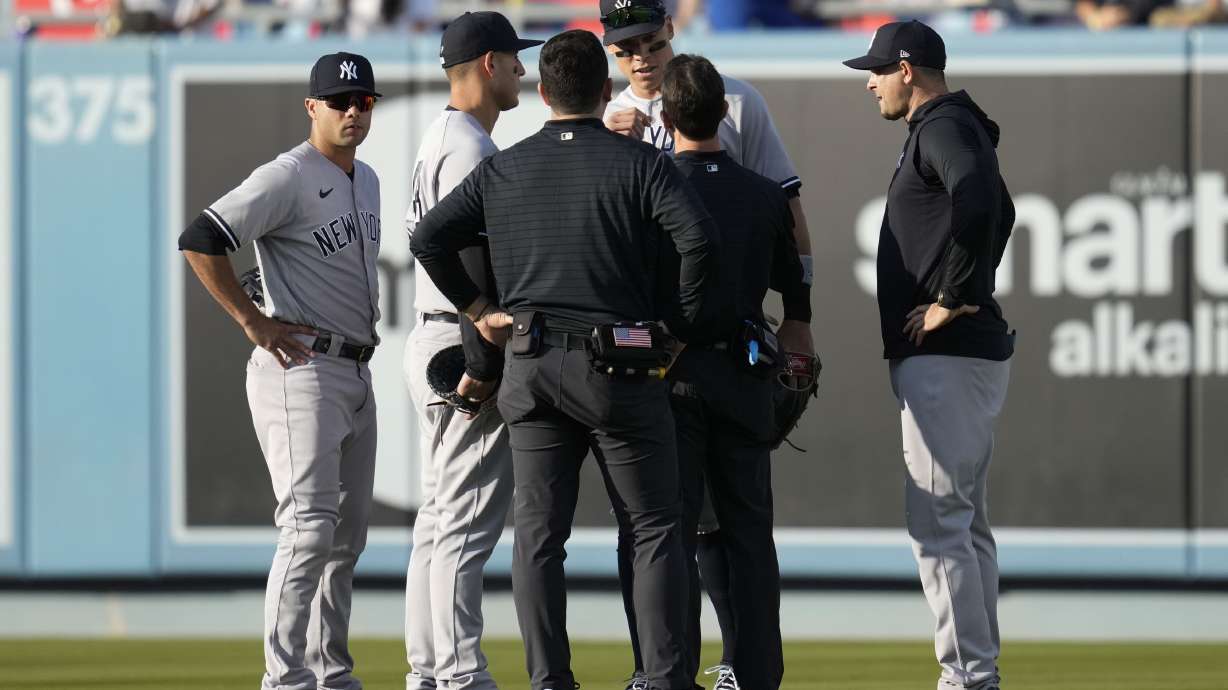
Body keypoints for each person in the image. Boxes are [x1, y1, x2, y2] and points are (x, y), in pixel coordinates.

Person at [410, 29, 719, 690]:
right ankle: (665, 679)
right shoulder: (638, 164)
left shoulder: (504, 167)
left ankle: (550, 682)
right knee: (657, 524)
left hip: (529, 363)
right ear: (604, 91)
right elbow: (700, 240)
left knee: (539, 538)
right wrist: (678, 327)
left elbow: (431, 237)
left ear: (544, 93)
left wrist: (476, 310)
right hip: (619, 368)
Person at [597, 1, 814, 683]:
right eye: (624, 45)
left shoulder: (737, 105)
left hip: (684, 358)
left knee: (682, 528)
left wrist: (796, 323)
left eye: (649, 40)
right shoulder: (601, 117)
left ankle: (684, 672)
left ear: (671, 33)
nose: (639, 56)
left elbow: (791, 224)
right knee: (683, 529)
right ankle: (710, 671)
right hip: (685, 364)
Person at [177, 52, 383, 690]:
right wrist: (251, 320)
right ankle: (284, 679)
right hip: (301, 366)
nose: (352, 111)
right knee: (307, 530)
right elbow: (201, 236)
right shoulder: (288, 175)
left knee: (344, 540)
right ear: (311, 106)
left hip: (354, 367)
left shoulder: (367, 176)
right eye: (339, 101)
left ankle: (330, 673)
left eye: (363, 101)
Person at [843, 21, 1015, 690]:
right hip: (960, 357)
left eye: (878, 70)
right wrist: (967, 287)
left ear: (908, 70)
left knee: (940, 524)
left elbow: (979, 196)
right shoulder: (950, 124)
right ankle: (977, 674)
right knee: (962, 525)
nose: (870, 82)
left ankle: (966, 679)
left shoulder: (941, 126)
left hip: (947, 355)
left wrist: (955, 292)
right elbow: (1002, 208)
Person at [656, 53, 814, 690]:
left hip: (671, 377)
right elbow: (792, 279)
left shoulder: (652, 183)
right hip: (746, 374)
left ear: (664, 118)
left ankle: (670, 672)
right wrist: (800, 320)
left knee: (671, 533)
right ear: (725, 111)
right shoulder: (760, 193)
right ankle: (757, 673)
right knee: (749, 533)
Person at [402, 12, 542, 690]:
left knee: (439, 519)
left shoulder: (442, 135)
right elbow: (465, 252)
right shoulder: (468, 147)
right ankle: (458, 672)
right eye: (515, 59)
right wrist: (483, 338)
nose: (523, 70)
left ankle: (428, 670)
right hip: (460, 334)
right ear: (489, 63)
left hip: (433, 326)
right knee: (463, 520)